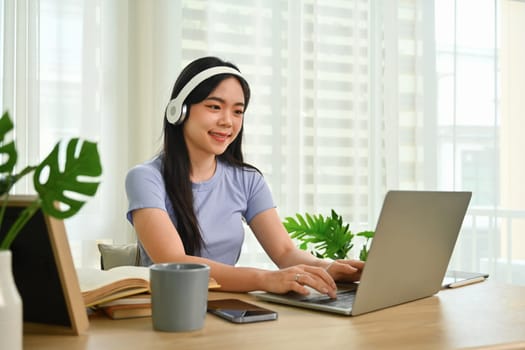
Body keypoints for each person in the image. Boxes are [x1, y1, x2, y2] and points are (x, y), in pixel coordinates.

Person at [125, 56, 364, 298]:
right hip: (167, 309)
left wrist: (327, 268)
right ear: (179, 111)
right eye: (214, 107)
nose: (227, 121)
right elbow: (173, 262)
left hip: (227, 307)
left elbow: (284, 252)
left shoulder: (248, 180)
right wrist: (266, 279)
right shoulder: (146, 178)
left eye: (237, 111)